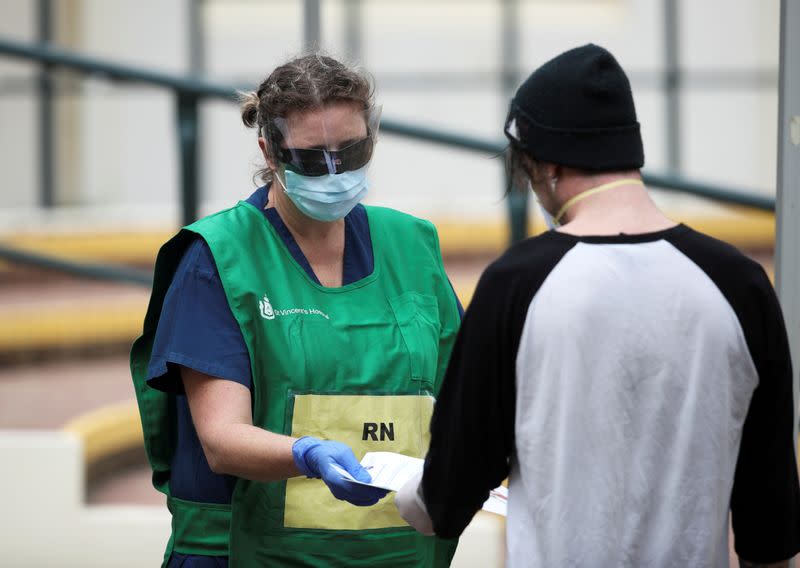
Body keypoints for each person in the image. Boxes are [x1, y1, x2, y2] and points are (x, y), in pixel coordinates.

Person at [396, 43, 800, 567]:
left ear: (544, 165)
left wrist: (408, 494)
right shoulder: (739, 283)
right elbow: (771, 526)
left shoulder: (515, 285)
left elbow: (447, 496)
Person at [130, 53, 463, 567]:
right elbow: (221, 439)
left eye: (352, 152)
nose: (335, 172)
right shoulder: (218, 258)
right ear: (269, 149)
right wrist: (306, 454)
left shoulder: (413, 245)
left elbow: (459, 396)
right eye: (312, 158)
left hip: (397, 550)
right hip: (252, 552)